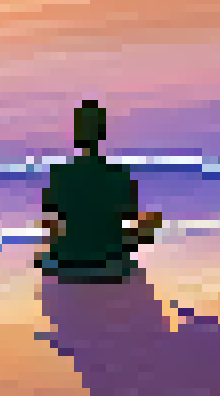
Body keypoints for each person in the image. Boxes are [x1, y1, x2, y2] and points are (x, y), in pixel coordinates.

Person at [37, 100, 164, 284]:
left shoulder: (60, 175)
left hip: (70, 263)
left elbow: (51, 222)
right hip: (112, 263)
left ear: (77, 134)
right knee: (147, 227)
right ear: (101, 133)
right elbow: (132, 220)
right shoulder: (119, 175)